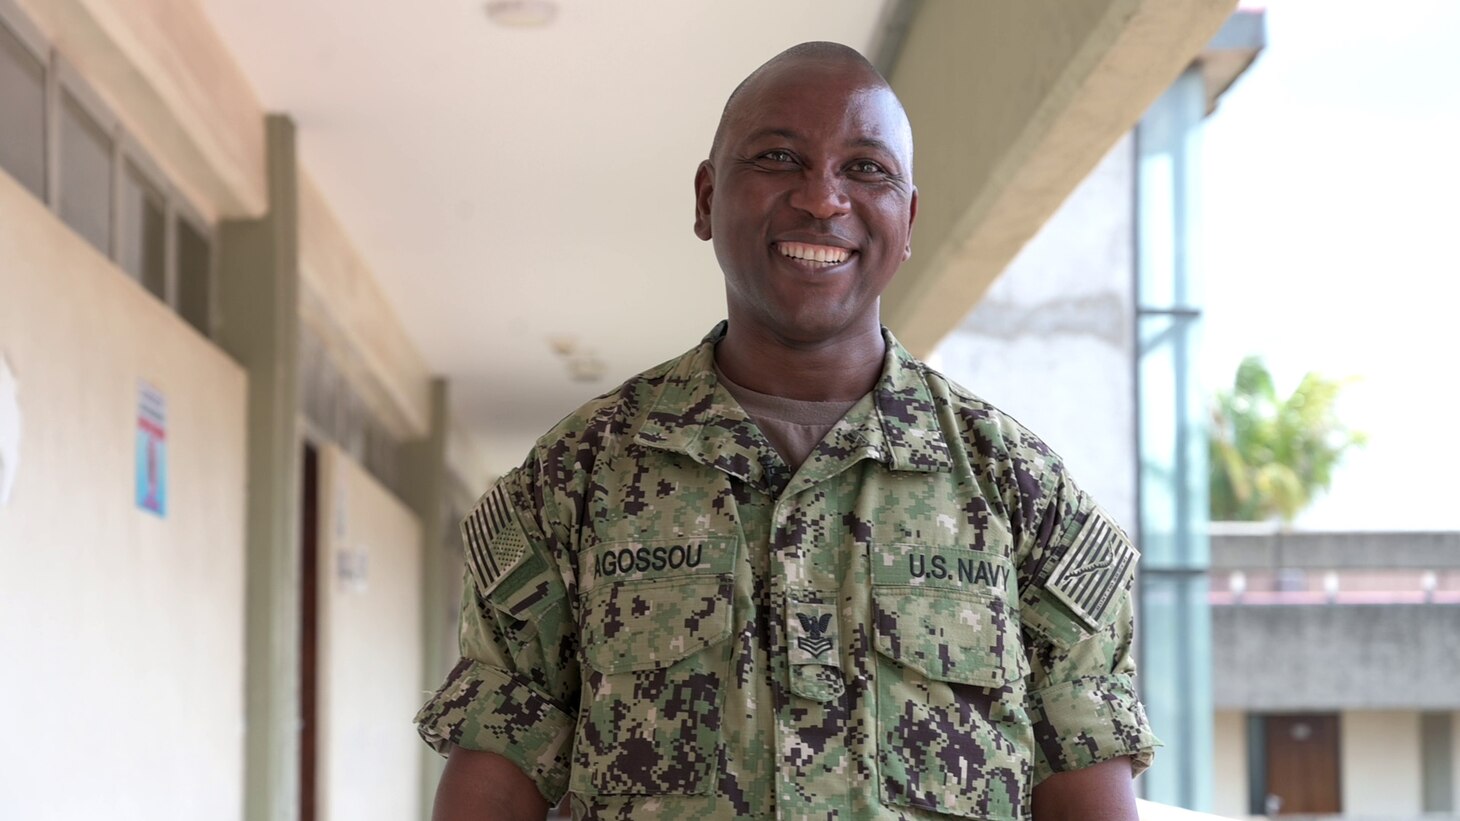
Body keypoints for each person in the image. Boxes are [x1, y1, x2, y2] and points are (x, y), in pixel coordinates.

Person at [417, 41, 1159, 821]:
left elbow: (1085, 785)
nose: (822, 198)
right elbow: (496, 774)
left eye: (866, 168)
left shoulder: (1019, 489)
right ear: (707, 199)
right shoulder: (577, 476)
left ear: (907, 221)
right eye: (778, 157)